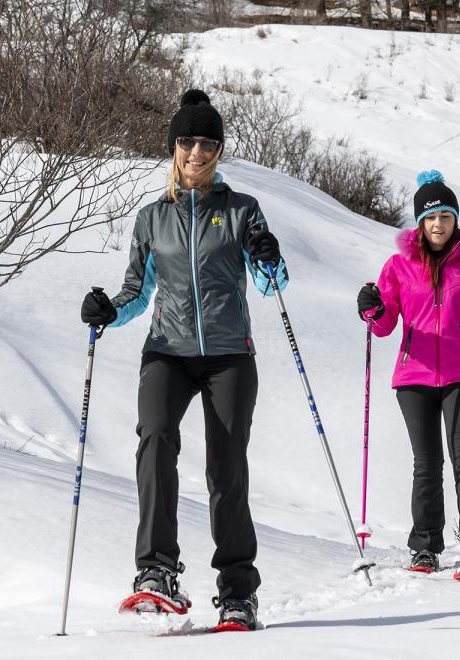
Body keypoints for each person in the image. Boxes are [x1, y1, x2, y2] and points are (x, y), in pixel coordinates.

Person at [80, 89, 286, 630]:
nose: (197, 151)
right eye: (188, 141)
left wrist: (269, 257)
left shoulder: (242, 210)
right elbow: (136, 292)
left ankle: (238, 591)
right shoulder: (152, 218)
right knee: (154, 442)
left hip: (228, 356)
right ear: (174, 146)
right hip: (167, 352)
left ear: (219, 150)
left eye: (208, 143)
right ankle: (156, 571)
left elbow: (272, 285)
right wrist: (106, 311)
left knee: (226, 466)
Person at [356, 170, 460, 580]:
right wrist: (373, 309)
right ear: (419, 223)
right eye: (430, 218)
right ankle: (425, 547)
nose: (438, 224)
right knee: (427, 463)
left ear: (455, 220)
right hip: (413, 377)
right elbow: (383, 325)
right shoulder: (399, 266)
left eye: (445, 217)